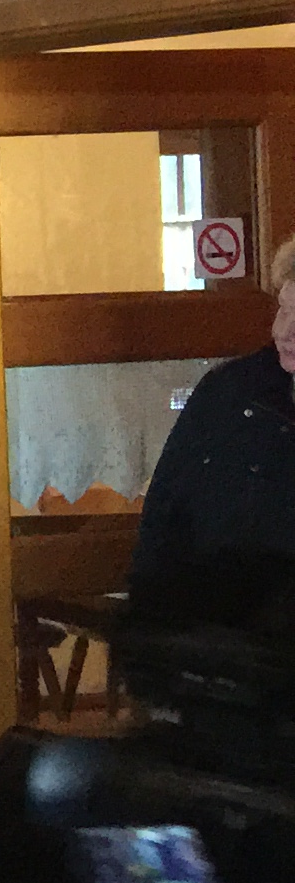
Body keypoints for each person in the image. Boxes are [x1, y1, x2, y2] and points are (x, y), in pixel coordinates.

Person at [127, 232, 295, 628]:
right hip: (217, 629)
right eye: (284, 309)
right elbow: (163, 516)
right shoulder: (230, 391)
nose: (285, 330)